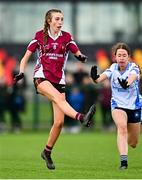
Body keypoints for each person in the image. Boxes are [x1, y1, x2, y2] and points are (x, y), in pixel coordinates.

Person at [14, 9, 96, 170]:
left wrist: (81, 57)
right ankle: (81, 117)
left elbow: (77, 52)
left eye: (62, 19)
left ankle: (47, 152)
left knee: (59, 123)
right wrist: (22, 72)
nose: (60, 22)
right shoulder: (39, 36)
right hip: (41, 77)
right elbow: (25, 57)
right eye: (57, 19)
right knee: (60, 99)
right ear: (49, 21)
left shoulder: (66, 37)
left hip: (59, 80)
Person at [90, 42, 142, 170]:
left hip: (134, 106)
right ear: (115, 57)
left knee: (133, 142)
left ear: (128, 57)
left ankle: (124, 144)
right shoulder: (113, 68)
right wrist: (95, 78)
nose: (121, 58)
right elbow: (101, 78)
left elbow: (132, 77)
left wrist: (127, 83)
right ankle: (124, 162)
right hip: (118, 105)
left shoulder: (134, 67)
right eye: (119, 55)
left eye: (124, 55)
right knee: (121, 128)